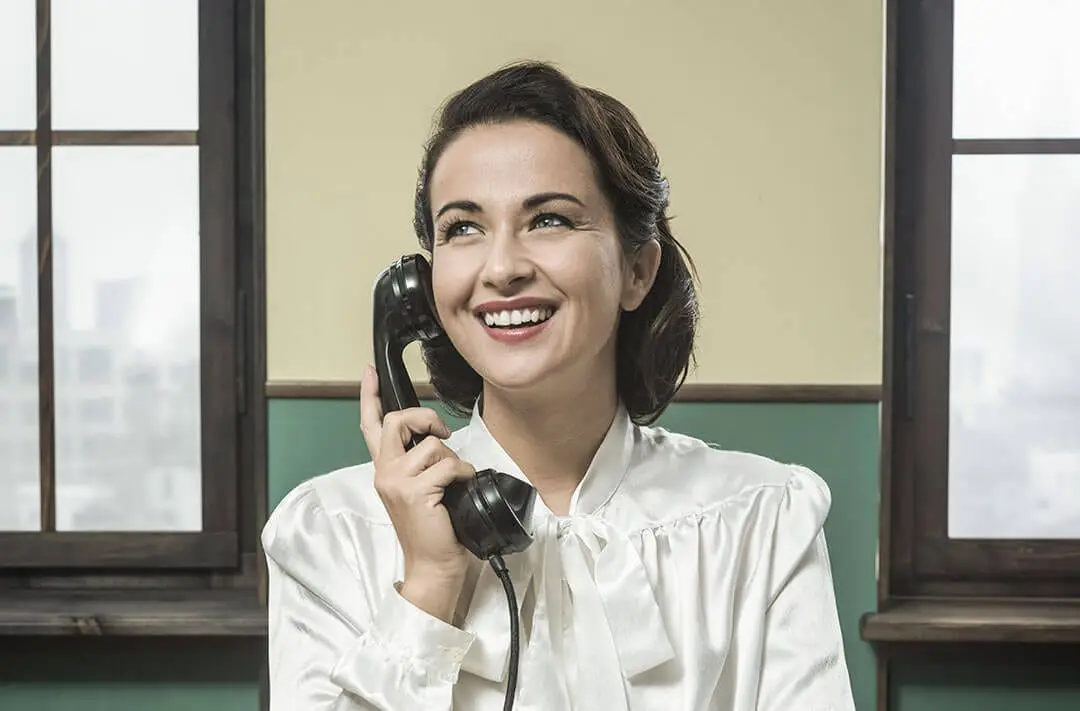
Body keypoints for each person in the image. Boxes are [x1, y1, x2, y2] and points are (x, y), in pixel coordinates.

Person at [262, 61, 856, 711]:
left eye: (549, 220)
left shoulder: (763, 517)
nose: (503, 268)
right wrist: (430, 585)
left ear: (637, 268)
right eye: (463, 227)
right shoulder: (330, 532)